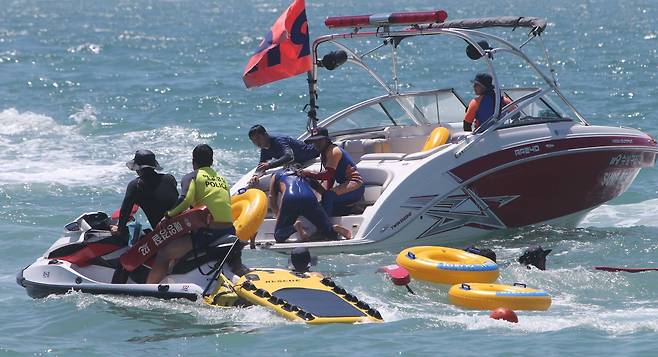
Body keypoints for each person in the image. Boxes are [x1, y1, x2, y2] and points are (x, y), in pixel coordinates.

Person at [146, 144, 245, 284]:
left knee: (164, 254)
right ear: (212, 162)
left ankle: (149, 289)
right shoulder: (222, 180)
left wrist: (167, 216)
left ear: (194, 162)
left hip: (209, 233)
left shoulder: (192, 176)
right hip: (229, 231)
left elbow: (184, 200)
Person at [269, 169, 352, 243]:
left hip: (290, 198)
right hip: (309, 198)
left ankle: (295, 227)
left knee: (279, 236)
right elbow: (323, 193)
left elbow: (272, 199)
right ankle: (333, 228)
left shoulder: (276, 175)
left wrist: (279, 217)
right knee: (330, 234)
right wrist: (320, 210)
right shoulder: (304, 174)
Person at [111, 150, 179, 237]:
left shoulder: (136, 185)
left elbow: (125, 211)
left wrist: (119, 229)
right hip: (180, 225)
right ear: (154, 166)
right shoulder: (169, 178)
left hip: (163, 233)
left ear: (138, 168)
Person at [301, 127, 364, 216]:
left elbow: (328, 175)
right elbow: (331, 177)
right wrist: (326, 192)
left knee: (328, 196)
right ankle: (347, 210)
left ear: (327, 139)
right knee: (324, 194)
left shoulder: (334, 151)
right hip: (345, 184)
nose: (316, 143)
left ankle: (325, 227)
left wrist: (307, 173)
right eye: (314, 141)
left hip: (356, 185)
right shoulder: (324, 153)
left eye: (319, 140)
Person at [248, 124, 319, 185]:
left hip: (315, 152)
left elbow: (290, 156)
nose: (257, 142)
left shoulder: (279, 141)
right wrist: (256, 175)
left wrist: (270, 165)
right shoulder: (265, 148)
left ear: (265, 134)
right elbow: (262, 164)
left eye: (258, 138)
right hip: (300, 161)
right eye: (254, 140)